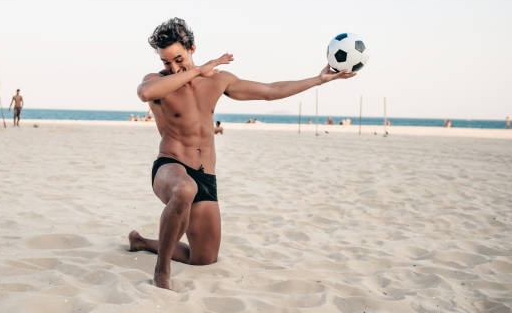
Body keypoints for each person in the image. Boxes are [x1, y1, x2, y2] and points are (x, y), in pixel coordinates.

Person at [127, 17, 356, 289]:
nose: (174, 68)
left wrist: (319, 80)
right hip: (170, 167)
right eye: (167, 62)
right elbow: (145, 92)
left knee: (204, 258)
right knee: (184, 190)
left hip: (205, 176)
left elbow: (270, 91)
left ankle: (141, 242)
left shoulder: (217, 81)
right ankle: (162, 272)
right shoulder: (157, 81)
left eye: (179, 59)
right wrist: (198, 70)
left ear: (192, 48)